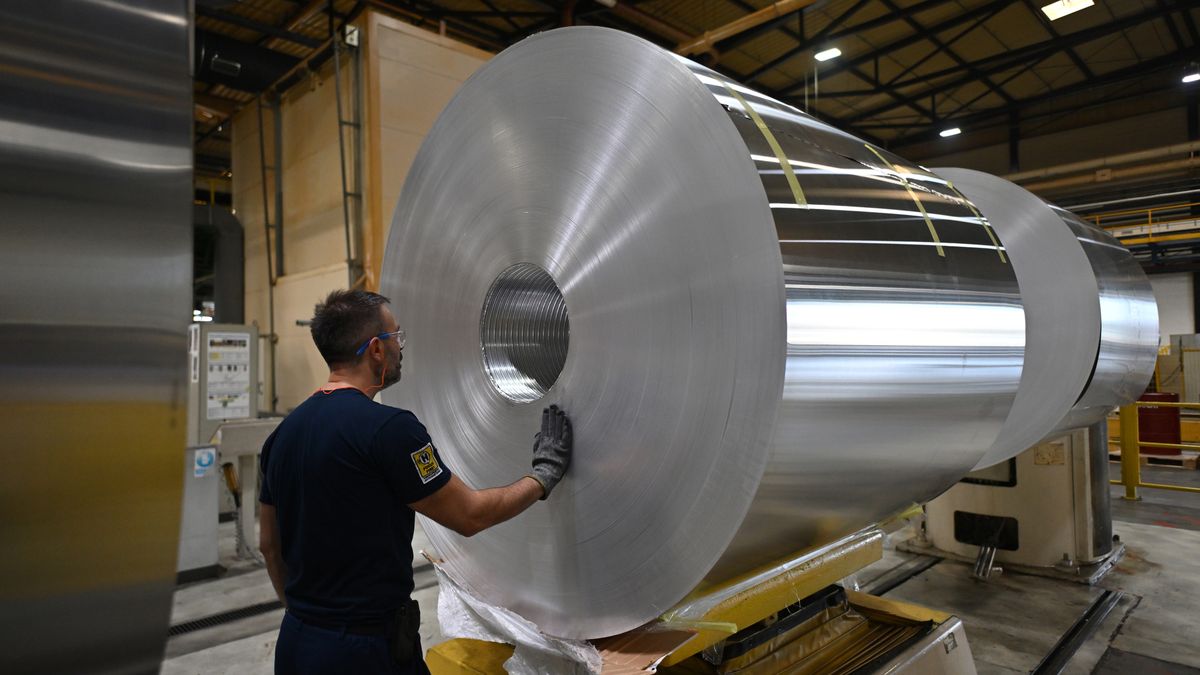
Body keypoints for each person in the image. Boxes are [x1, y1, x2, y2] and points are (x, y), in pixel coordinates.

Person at [259, 289, 573, 675]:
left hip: (296, 643)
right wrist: (542, 476)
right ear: (376, 349)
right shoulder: (389, 430)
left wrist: (307, 617)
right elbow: (470, 515)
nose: (401, 347)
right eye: (396, 336)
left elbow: (269, 546)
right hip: (365, 653)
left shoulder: (281, 435)